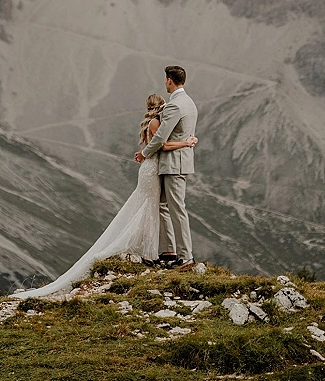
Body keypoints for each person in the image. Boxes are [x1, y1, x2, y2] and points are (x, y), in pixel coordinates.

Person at [10, 90, 197, 299]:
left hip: (151, 169)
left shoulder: (151, 124)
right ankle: (152, 249)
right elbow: (162, 145)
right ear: (161, 106)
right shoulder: (156, 124)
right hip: (153, 169)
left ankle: (162, 250)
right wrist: (186, 142)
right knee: (151, 207)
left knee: (154, 207)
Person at [134, 65, 198, 269]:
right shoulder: (189, 103)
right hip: (179, 161)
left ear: (169, 80)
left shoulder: (175, 105)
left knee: (177, 209)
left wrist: (144, 153)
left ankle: (186, 256)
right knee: (165, 206)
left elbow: (161, 136)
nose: (165, 84)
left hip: (173, 164)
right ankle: (170, 251)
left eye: (165, 80)